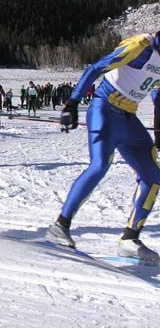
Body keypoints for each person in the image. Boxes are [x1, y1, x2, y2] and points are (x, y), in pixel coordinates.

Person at [47, 32, 160, 261]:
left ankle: (130, 238)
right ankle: (61, 225)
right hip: (105, 108)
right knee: (100, 165)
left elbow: (158, 96)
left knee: (154, 176)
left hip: (128, 116)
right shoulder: (140, 46)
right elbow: (97, 67)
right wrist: (72, 103)